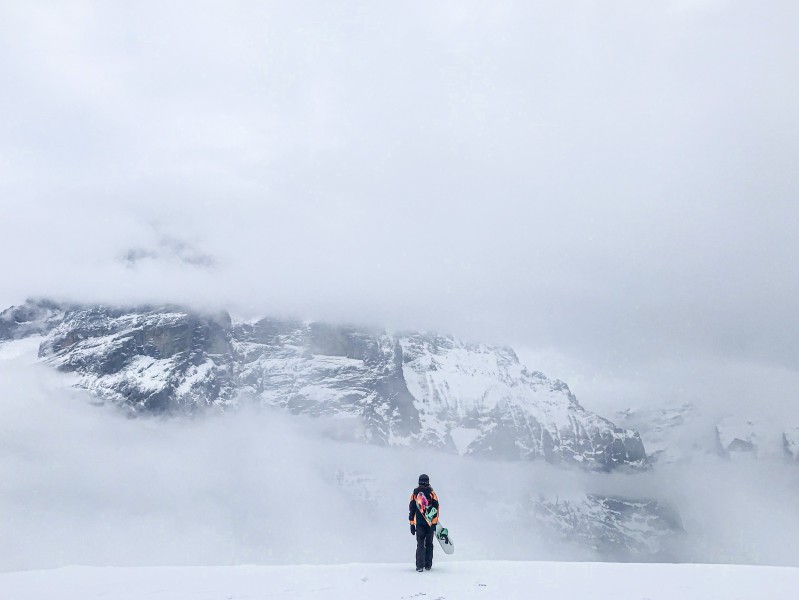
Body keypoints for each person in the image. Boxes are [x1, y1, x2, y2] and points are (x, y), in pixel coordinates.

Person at [408, 473, 439, 572]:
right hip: (429, 524)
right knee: (429, 544)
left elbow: (412, 509)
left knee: (420, 544)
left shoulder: (415, 493)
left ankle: (419, 566)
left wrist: (412, 524)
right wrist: (434, 523)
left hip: (419, 524)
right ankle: (428, 565)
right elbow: (436, 508)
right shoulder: (432, 493)